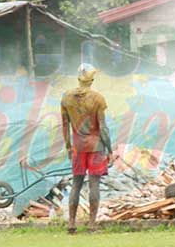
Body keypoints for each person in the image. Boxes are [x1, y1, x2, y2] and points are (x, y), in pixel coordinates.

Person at [60, 63, 112, 234]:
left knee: (76, 183)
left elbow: (64, 126)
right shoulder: (98, 98)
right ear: (92, 80)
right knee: (94, 184)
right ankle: (91, 224)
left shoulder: (66, 97)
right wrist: (110, 149)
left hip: (77, 147)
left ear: (78, 78)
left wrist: (68, 146)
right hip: (96, 147)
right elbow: (103, 128)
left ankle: (72, 223)